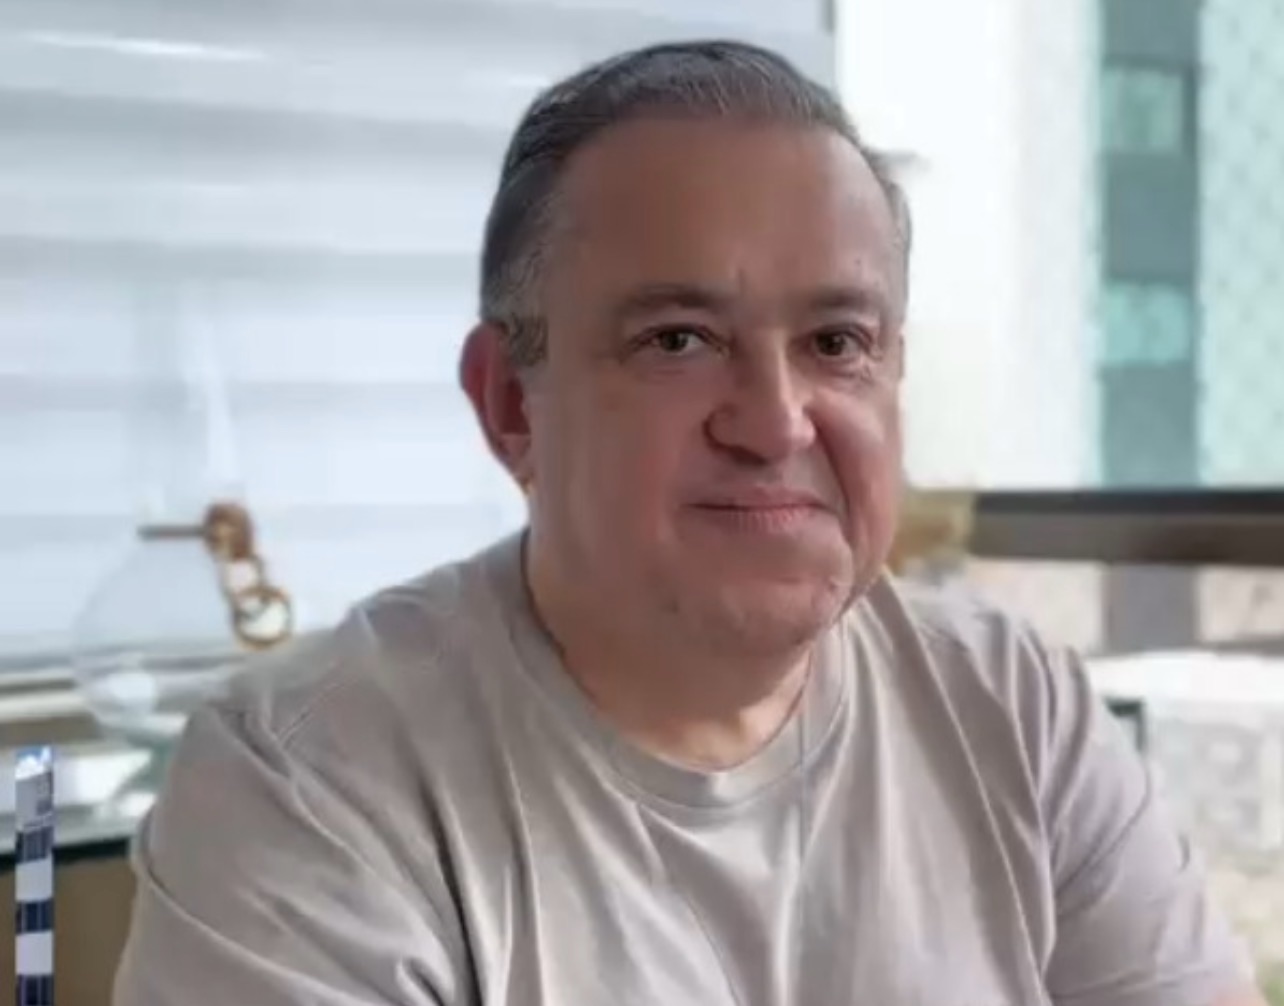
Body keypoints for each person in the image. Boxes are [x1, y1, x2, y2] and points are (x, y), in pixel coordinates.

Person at [113, 40, 1263, 1006]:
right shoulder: (306, 781)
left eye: (837, 343)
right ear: (512, 405)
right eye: (677, 340)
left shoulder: (1013, 709)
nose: (776, 421)